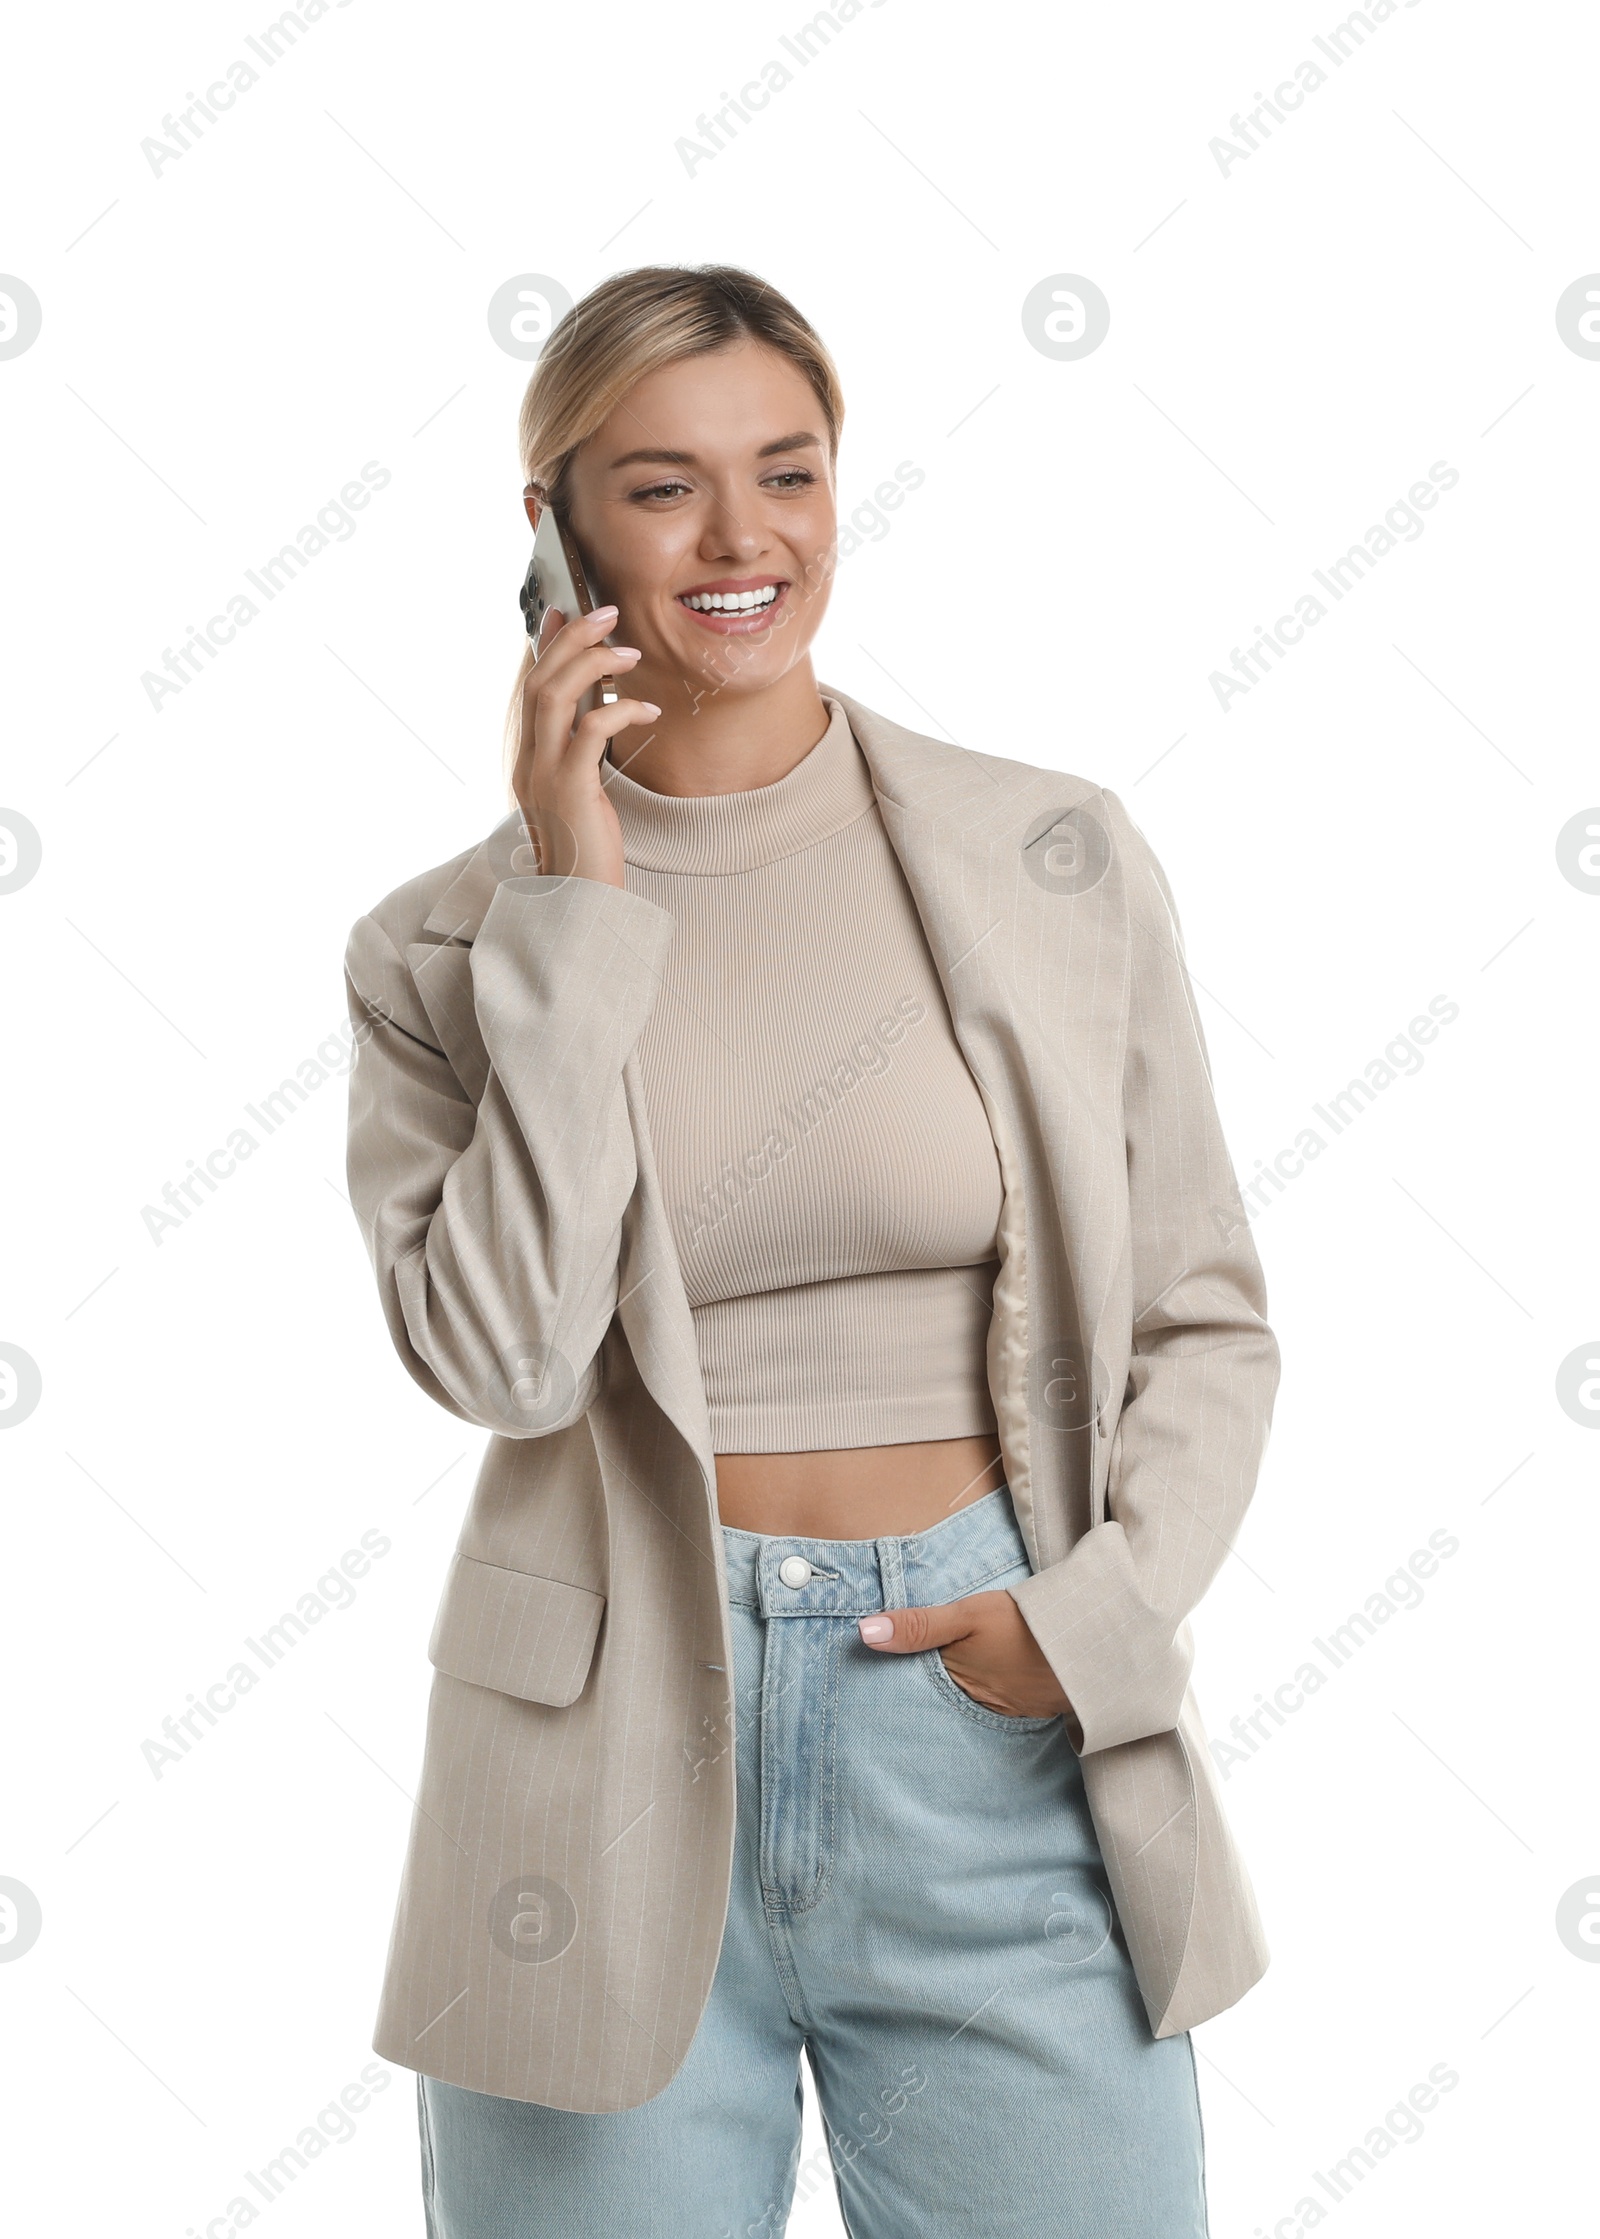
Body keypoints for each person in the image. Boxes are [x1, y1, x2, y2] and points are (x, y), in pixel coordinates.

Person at [343, 262, 1280, 2239]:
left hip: (981, 1721)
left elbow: (1200, 1319)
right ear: (552, 530)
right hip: (592, 1758)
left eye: (788, 471)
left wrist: (1083, 1629)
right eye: (662, 486)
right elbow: (505, 1359)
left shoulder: (1048, 855)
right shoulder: (440, 949)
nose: (742, 537)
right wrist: (577, 908)